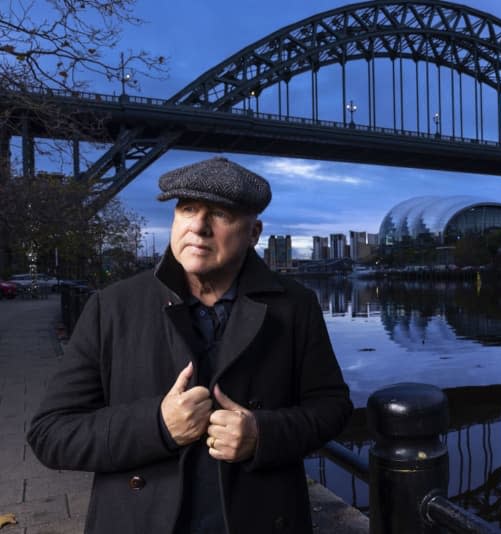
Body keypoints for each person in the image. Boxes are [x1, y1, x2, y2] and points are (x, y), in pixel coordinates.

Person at [27, 157, 353, 534]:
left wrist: (263, 434)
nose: (198, 226)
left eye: (220, 214)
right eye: (187, 209)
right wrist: (158, 426)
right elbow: (50, 434)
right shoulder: (113, 307)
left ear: (254, 233)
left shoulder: (295, 306)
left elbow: (332, 407)